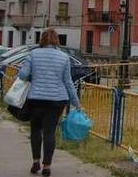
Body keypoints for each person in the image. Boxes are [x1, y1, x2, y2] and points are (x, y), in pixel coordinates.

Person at [18, 28, 82, 176]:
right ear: (56, 40)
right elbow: (68, 82)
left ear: (42, 39)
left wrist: (32, 77)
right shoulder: (64, 57)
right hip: (56, 100)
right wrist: (76, 103)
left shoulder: (33, 54)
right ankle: (47, 166)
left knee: (35, 130)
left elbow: (22, 75)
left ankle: (35, 162)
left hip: (36, 99)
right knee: (49, 132)